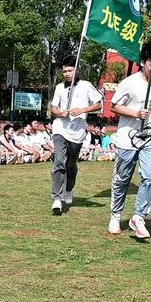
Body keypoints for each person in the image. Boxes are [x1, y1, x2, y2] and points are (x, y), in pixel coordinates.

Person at [108, 41, 151, 238]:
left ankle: (139, 216)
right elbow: (114, 106)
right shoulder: (129, 83)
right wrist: (135, 113)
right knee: (122, 179)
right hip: (127, 139)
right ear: (143, 62)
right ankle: (116, 215)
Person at [50, 55, 103, 215]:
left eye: (70, 70)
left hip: (78, 133)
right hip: (60, 129)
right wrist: (59, 112)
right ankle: (57, 199)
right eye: (64, 71)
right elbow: (53, 108)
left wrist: (83, 110)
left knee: (71, 165)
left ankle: (69, 189)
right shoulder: (59, 87)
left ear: (76, 69)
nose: (67, 74)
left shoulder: (86, 86)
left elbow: (99, 104)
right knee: (59, 162)